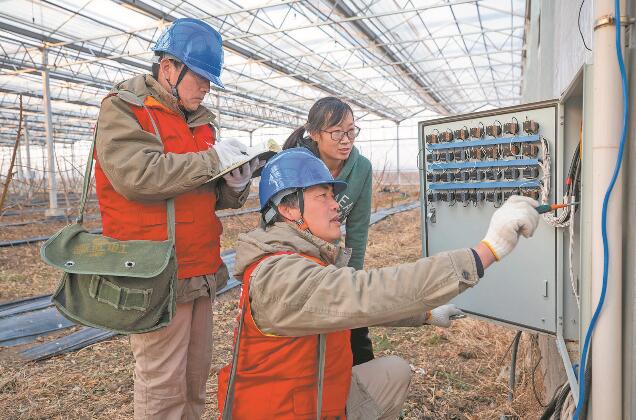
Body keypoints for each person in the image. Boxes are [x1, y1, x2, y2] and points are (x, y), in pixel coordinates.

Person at [217, 148, 540, 419]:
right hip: (281, 412)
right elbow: (367, 293)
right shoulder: (280, 276)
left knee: (393, 372)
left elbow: (353, 304)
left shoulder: (297, 258)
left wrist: (425, 315)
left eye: (333, 195)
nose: (336, 205)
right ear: (288, 208)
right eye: (323, 196)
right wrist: (486, 251)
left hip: (305, 395)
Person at [93, 18, 257, 419]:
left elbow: (205, 189)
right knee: (162, 384)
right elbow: (139, 177)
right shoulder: (124, 111)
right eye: (199, 77)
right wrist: (210, 160)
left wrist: (234, 184)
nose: (205, 87)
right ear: (168, 67)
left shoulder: (200, 122)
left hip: (199, 270)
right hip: (154, 271)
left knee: (193, 378)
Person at [283, 97, 460, 365]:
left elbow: (357, 229)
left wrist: (351, 278)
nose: (346, 140)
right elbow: (278, 223)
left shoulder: (361, 168)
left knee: (354, 328)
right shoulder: (295, 164)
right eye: (337, 132)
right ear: (316, 134)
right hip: (294, 257)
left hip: (329, 255)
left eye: (351, 131)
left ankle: (360, 374)